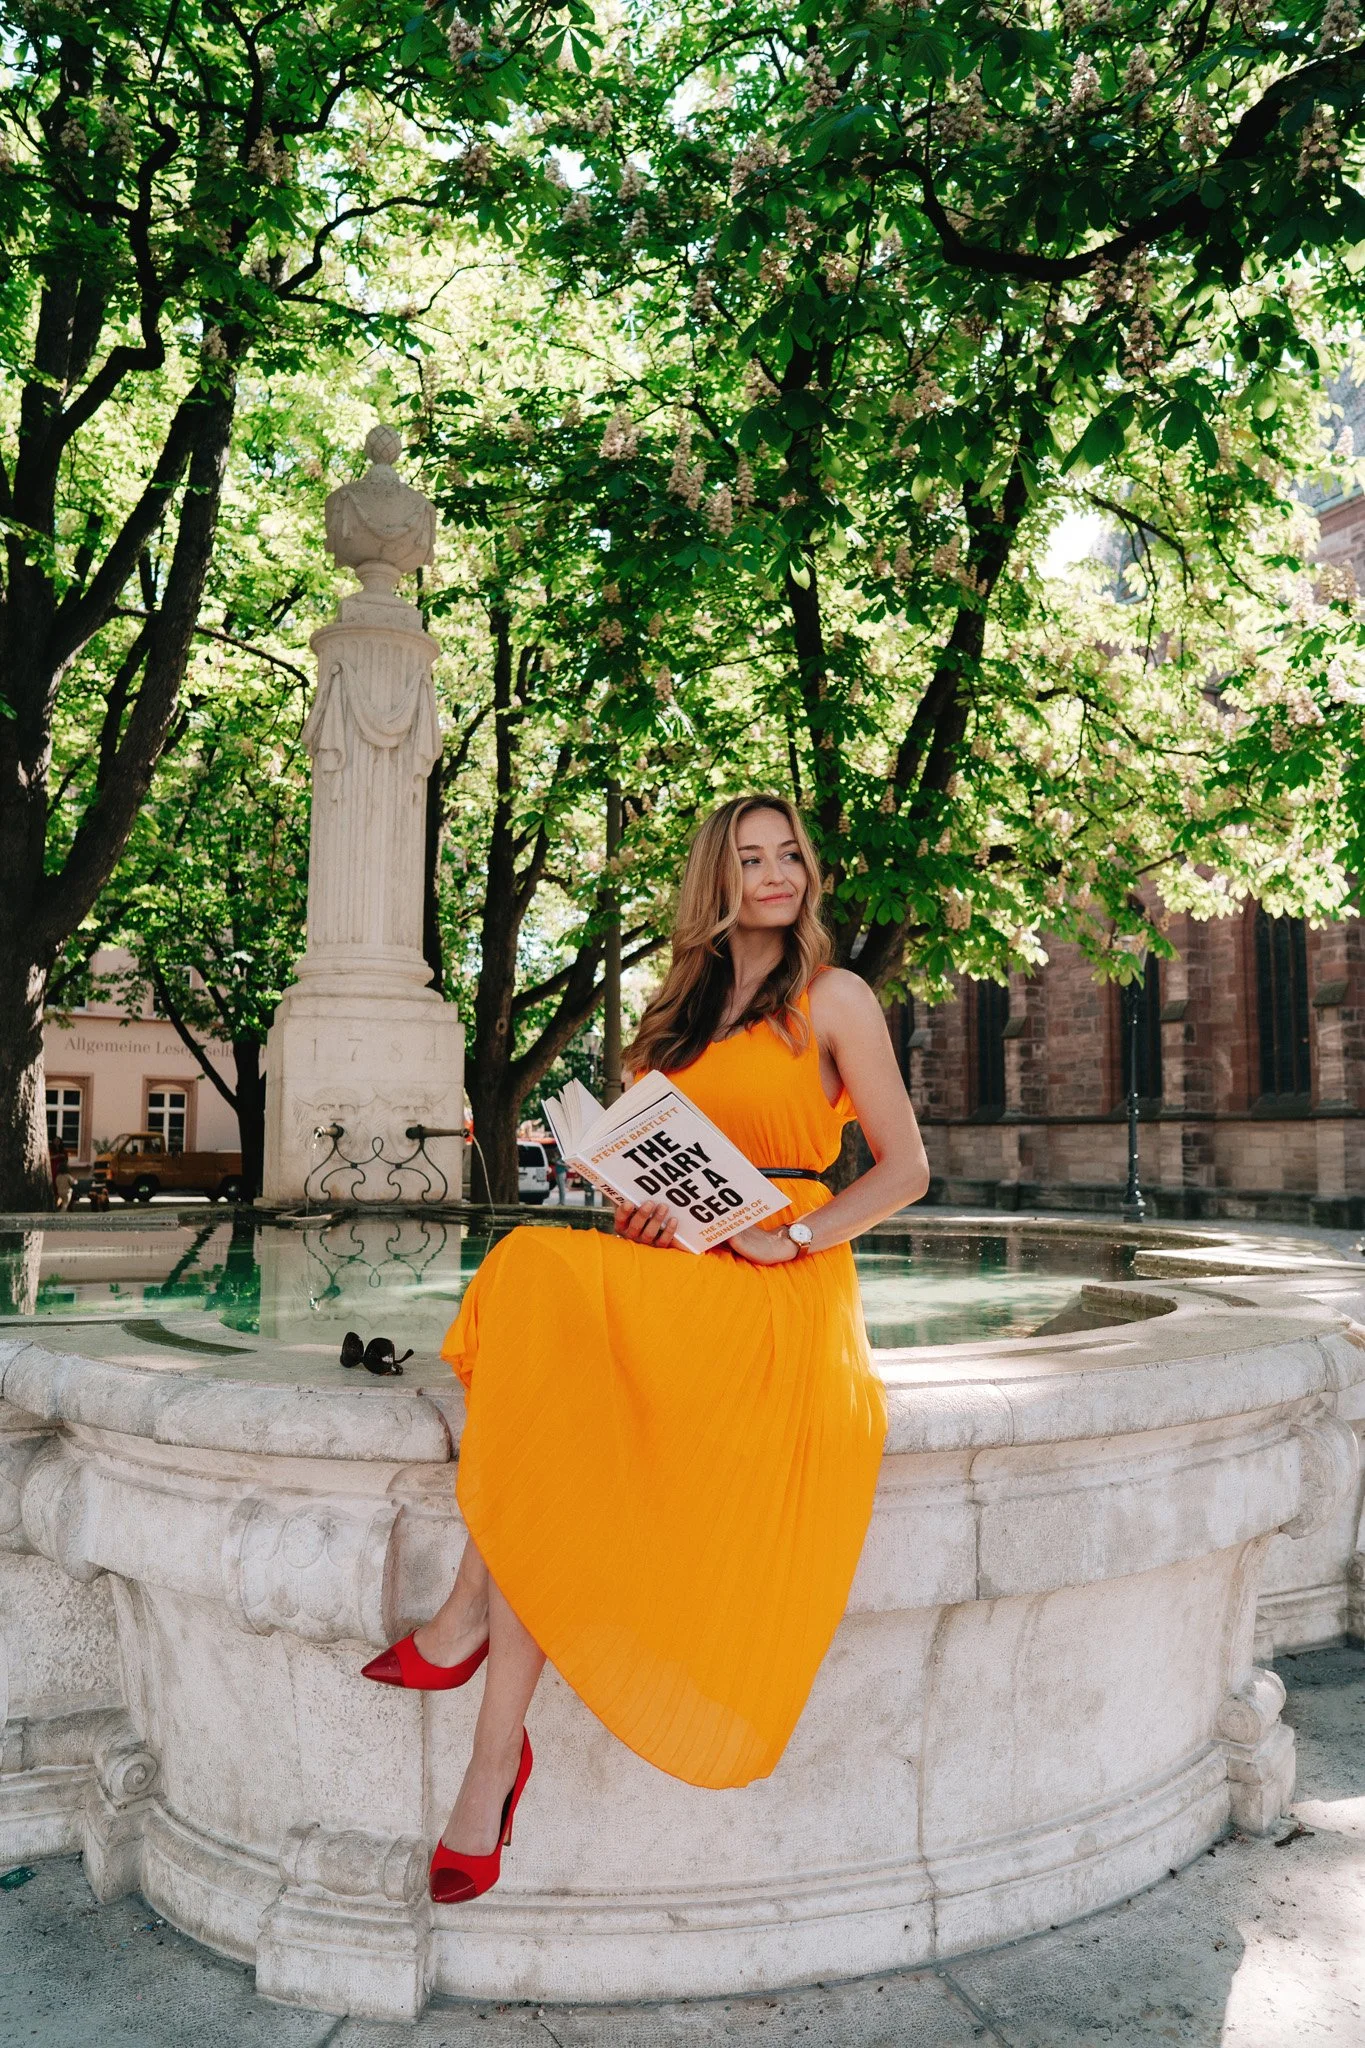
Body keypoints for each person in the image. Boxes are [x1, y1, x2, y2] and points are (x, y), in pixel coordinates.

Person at [360, 795, 931, 1902]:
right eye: (752, 859)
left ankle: (478, 1682)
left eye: (790, 856)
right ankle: (489, 1722)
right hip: (692, 1258)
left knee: (541, 1316)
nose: (777, 875)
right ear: (717, 881)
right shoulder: (673, 1009)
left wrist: (790, 1234)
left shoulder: (837, 995)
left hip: (784, 1281)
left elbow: (905, 1169)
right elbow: (656, 1166)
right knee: (535, 1278)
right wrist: (645, 1209)